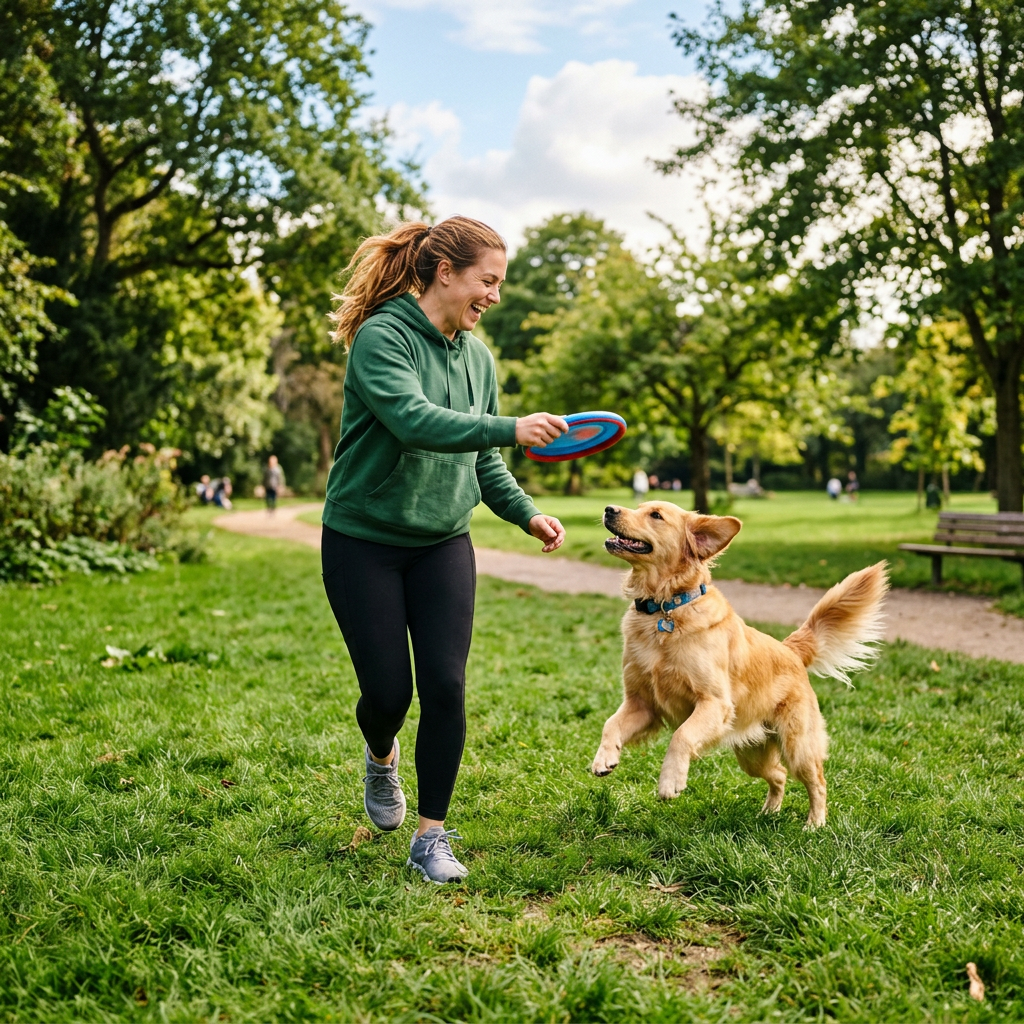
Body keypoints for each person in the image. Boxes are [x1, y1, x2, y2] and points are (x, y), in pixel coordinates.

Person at [321, 216, 568, 884]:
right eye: (487, 281)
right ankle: (380, 754)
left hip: (441, 544)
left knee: (447, 685)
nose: (493, 295)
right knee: (387, 692)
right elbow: (414, 421)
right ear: (445, 273)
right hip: (363, 540)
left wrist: (527, 514)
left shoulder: (479, 358)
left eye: (499, 284)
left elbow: (484, 459)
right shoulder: (383, 338)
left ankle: (431, 836)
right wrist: (511, 425)